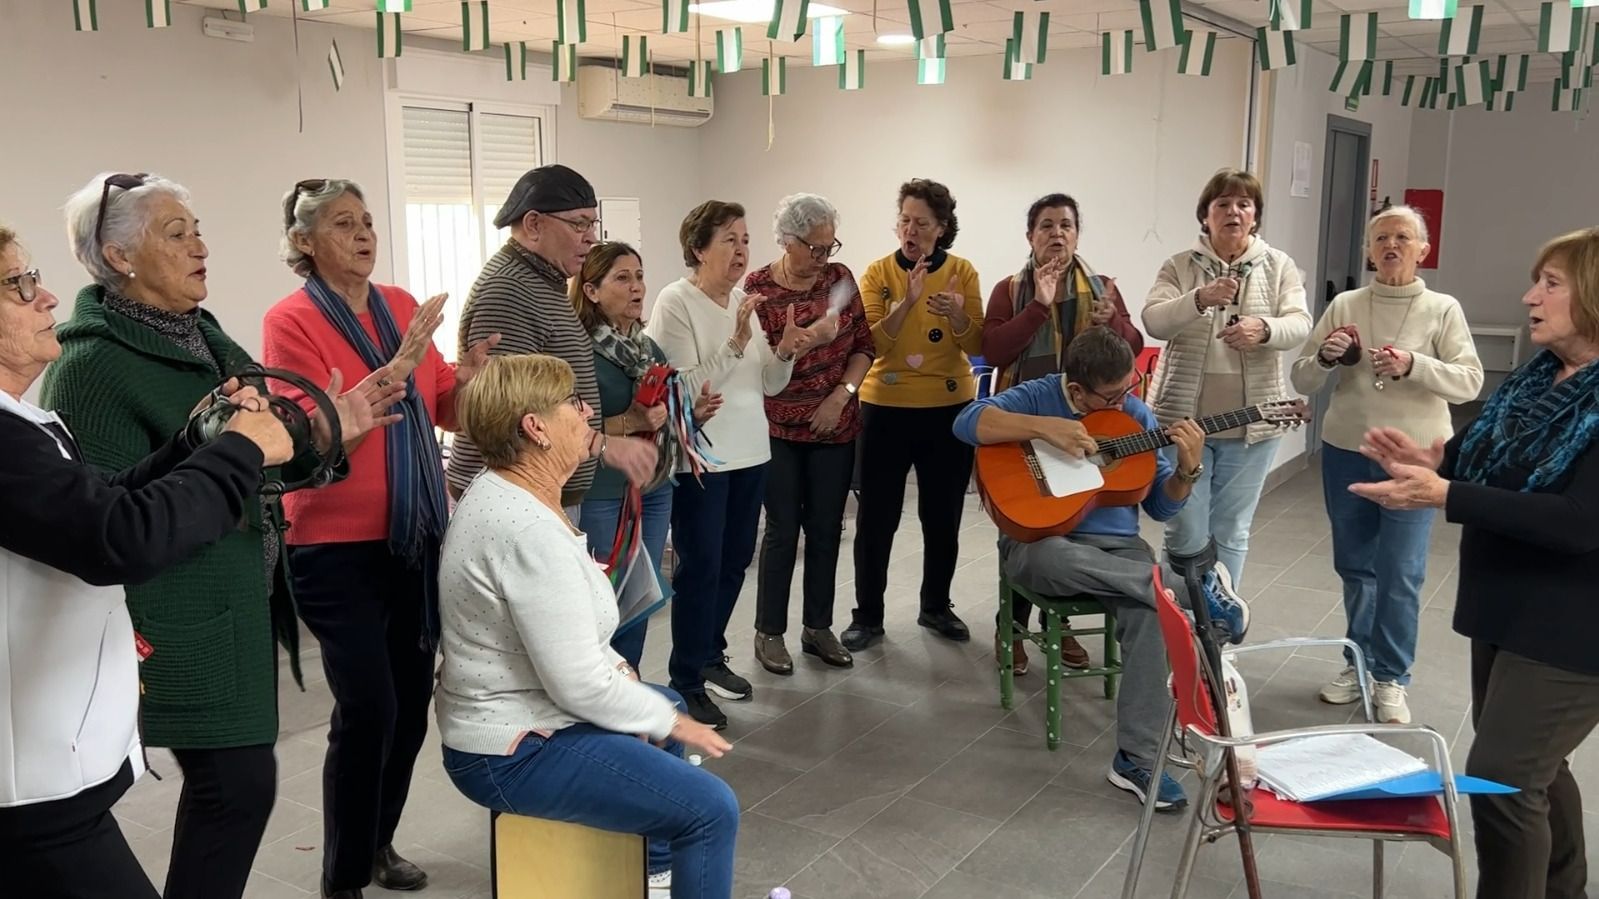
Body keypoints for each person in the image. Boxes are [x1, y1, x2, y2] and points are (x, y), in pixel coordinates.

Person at [40, 172, 399, 899]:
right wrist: (232, 455)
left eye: (197, 227)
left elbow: (263, 455)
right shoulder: (91, 368)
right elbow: (110, 519)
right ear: (118, 257)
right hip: (173, 616)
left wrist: (335, 427)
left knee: (237, 789)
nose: (202, 244)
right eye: (177, 234)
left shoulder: (207, 338)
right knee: (235, 787)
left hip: (236, 600)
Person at [0, 224, 296, 899]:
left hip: (51, 776)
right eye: (19, 284)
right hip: (35, 790)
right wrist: (239, 450)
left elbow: (96, 503)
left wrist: (194, 443)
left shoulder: (20, 427)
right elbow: (120, 538)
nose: (46, 296)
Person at [262, 178, 499, 898]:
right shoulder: (290, 319)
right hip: (334, 546)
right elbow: (309, 428)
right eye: (342, 223)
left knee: (408, 698)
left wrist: (474, 380)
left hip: (416, 535)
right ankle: (341, 878)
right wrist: (394, 369)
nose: (364, 233)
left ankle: (377, 841)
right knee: (369, 707)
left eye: (367, 220)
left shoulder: (401, 306)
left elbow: (440, 405)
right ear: (304, 243)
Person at [1352, 227, 1599, 899]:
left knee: (1502, 777)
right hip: (1507, 607)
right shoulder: (1539, 377)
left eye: (1550, 283)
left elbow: (1580, 522)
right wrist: (1432, 461)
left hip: (1573, 626)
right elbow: (1486, 460)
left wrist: (1446, 492)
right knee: (1534, 768)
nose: (1529, 296)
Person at [437, 354, 738, 899]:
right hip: (509, 750)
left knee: (660, 702)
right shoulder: (525, 527)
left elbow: (572, 645)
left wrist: (643, 696)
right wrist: (671, 722)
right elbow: (576, 685)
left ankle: (656, 875)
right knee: (711, 809)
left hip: (520, 718)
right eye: (574, 405)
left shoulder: (510, 491)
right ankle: (669, 862)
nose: (585, 416)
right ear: (536, 428)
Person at [953, 326, 1250, 811]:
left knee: (1154, 613)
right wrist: (1045, 428)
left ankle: (1136, 760)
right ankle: (1180, 586)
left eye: (1128, 387)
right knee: (1072, 561)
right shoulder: (1040, 395)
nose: (1126, 400)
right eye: (1112, 395)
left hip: (1118, 550)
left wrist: (1186, 471)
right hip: (1043, 545)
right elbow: (967, 422)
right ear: (1075, 390)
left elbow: (1160, 507)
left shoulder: (1134, 415)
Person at [1290, 205, 1482, 725]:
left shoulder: (1442, 307)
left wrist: (1414, 364)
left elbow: (1470, 381)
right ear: (1369, 250)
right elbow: (1303, 379)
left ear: (1423, 250)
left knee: (1400, 571)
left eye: (1403, 237)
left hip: (1413, 457)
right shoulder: (1346, 304)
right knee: (1355, 565)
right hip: (1346, 449)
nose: (1391, 246)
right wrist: (1326, 358)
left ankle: (1392, 675)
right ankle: (1358, 661)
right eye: (1381, 238)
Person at [645, 201, 807, 728]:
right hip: (704, 458)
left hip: (752, 451)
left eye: (745, 239)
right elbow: (681, 386)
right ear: (698, 249)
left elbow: (765, 385)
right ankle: (685, 680)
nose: (741, 250)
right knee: (701, 568)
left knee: (736, 561)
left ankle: (709, 656)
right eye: (729, 240)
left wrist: (782, 352)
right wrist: (737, 341)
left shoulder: (744, 301)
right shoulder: (676, 301)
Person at [980, 192, 1145, 675]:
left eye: (1066, 225)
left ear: (1077, 234)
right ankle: (1010, 626)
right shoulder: (1009, 289)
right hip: (1022, 426)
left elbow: (1131, 348)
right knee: (1025, 522)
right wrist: (1037, 307)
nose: (1057, 234)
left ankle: (1063, 624)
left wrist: (1110, 320)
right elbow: (993, 351)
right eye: (1046, 225)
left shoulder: (1102, 286)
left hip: (1085, 430)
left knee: (1071, 523)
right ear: (1030, 236)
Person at [444, 164, 655, 512]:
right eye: (579, 224)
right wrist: (601, 443)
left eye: (592, 224)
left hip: (537, 491)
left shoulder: (544, 281)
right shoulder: (509, 290)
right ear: (534, 225)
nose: (590, 237)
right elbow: (507, 414)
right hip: (517, 495)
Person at [1141, 168, 1310, 588]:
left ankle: (1218, 633)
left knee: (1231, 531)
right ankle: (1180, 633)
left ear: (1255, 216)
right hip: (1183, 422)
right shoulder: (1179, 266)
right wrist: (1199, 298)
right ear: (1206, 216)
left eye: (1244, 204)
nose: (1233, 212)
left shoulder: (1278, 266)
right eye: (1222, 204)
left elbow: (1301, 323)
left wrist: (1265, 329)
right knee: (1184, 529)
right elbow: (1154, 323)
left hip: (1252, 425)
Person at [845, 178, 985, 651]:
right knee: (877, 518)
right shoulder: (877, 273)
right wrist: (907, 300)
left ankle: (936, 606)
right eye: (904, 220)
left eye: (922, 222)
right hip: (883, 408)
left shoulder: (963, 272)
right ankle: (867, 616)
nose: (910, 229)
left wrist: (959, 318)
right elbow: (873, 343)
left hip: (949, 408)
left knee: (942, 515)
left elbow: (978, 344)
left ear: (942, 228)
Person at [571, 241, 721, 670]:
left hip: (653, 488)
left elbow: (660, 422)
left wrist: (691, 418)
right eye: (622, 278)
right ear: (592, 291)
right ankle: (601, 693)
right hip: (603, 490)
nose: (637, 287)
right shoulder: (580, 351)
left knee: (640, 595)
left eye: (639, 276)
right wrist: (630, 418)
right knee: (604, 600)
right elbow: (572, 429)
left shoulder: (646, 348)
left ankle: (629, 683)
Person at [744, 193, 874, 675]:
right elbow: (750, 366)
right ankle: (768, 633)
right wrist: (793, 346)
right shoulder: (756, 289)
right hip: (777, 429)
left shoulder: (840, 279)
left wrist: (840, 396)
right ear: (786, 240)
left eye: (829, 246)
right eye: (815, 248)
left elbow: (864, 346)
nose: (824, 258)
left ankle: (818, 628)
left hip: (834, 426)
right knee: (782, 532)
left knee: (826, 529)